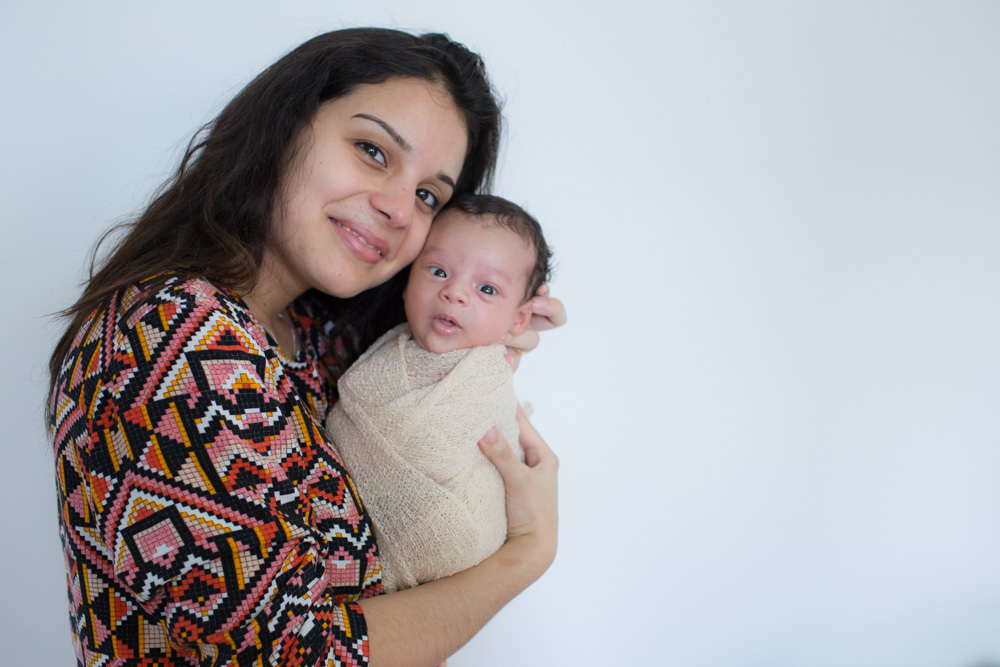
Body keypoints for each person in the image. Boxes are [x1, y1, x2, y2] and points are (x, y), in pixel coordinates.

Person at [47, 28, 563, 667]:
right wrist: (526, 555)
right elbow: (299, 654)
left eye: (428, 195)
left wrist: (494, 324)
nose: (400, 209)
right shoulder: (169, 335)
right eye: (372, 151)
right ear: (284, 127)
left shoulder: (313, 333)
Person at [327, 194, 552, 593]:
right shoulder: (389, 345)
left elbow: (428, 447)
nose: (454, 292)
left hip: (453, 544)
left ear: (518, 319)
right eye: (438, 271)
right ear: (407, 281)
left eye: (487, 288)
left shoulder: (489, 374)